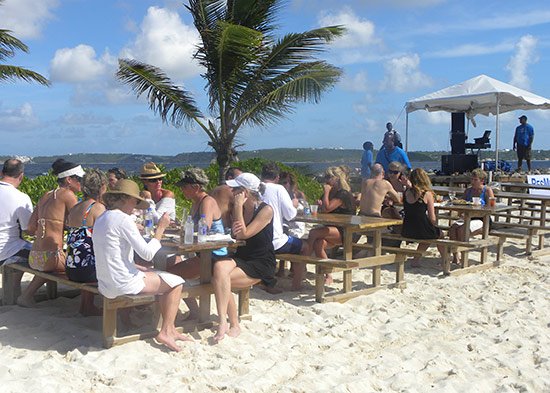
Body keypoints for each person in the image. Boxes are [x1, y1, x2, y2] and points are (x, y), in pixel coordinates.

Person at [92, 179, 190, 351]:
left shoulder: (101, 218)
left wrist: (137, 267)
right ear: (126, 199)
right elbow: (148, 253)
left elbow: (111, 254)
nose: (136, 205)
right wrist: (161, 229)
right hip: (122, 283)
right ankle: (167, 330)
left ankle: (170, 329)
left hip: (105, 283)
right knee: (176, 282)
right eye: (135, 201)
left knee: (155, 272)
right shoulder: (123, 220)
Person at [211, 173, 275, 342]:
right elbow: (235, 234)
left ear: (245, 192)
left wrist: (238, 208)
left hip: (260, 261)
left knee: (222, 280)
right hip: (242, 256)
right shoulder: (239, 209)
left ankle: (231, 323)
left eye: (236, 189)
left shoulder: (265, 210)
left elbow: (243, 234)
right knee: (218, 268)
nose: (232, 192)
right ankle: (224, 322)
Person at [17, 158, 84, 307]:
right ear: (69, 180)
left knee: (52, 261)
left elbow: (30, 227)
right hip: (52, 258)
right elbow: (81, 223)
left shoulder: (46, 195)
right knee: (87, 266)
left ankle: (27, 295)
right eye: (79, 179)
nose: (82, 183)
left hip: (34, 257)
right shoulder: (68, 195)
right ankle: (87, 304)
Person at [168, 167, 227, 317]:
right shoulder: (196, 202)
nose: (182, 190)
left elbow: (204, 228)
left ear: (196, 187)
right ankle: (195, 310)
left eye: (184, 187)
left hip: (214, 254)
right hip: (204, 253)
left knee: (170, 274)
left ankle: (195, 311)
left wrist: (184, 229)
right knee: (169, 265)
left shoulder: (207, 201)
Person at [65, 169, 107, 316]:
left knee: (86, 254)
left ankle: (86, 305)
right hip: (87, 271)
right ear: (102, 186)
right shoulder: (98, 208)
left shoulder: (76, 208)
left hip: (71, 269)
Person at [304, 166, 355, 285]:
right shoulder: (331, 193)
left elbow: (327, 208)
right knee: (318, 243)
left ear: (336, 179)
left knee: (313, 233)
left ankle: (304, 261)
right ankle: (328, 274)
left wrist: (326, 192)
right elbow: (324, 210)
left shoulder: (343, 194)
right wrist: (320, 204)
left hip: (345, 230)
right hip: (332, 227)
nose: (326, 180)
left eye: (328, 177)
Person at [260, 163, 305, 292]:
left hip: (255, 240)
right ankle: (297, 284)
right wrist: (294, 205)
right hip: (274, 242)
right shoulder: (279, 189)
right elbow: (290, 215)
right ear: (277, 177)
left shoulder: (255, 188)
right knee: (306, 246)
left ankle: (278, 273)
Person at [0, 159, 34, 295]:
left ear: (2, 173)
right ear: (21, 176)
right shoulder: (21, 197)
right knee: (44, 255)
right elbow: (29, 229)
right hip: (5, 251)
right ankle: (17, 292)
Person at [448, 168, 495, 264]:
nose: (472, 182)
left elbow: (492, 207)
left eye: (475, 180)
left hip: (483, 220)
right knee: (453, 228)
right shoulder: (468, 191)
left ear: (482, 180)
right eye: (472, 179)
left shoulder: (486, 190)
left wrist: (482, 206)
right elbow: (462, 203)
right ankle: (455, 256)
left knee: (462, 230)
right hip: (468, 217)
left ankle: (463, 256)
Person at [401, 168, 443, 268]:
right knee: (438, 235)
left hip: (407, 228)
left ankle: (416, 259)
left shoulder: (406, 192)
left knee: (430, 234)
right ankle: (445, 259)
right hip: (420, 229)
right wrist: (434, 224)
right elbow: (432, 218)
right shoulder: (427, 194)